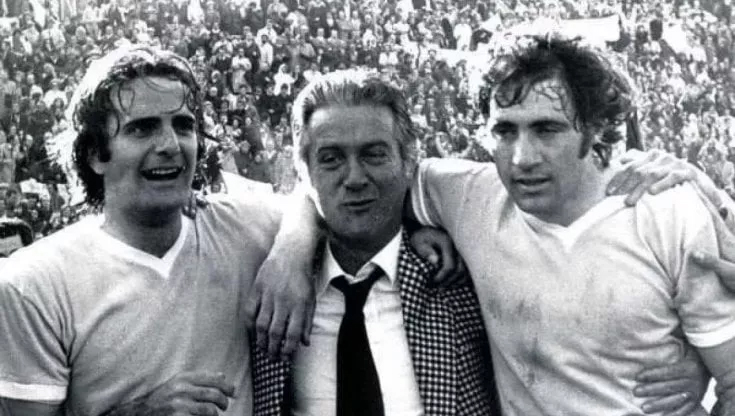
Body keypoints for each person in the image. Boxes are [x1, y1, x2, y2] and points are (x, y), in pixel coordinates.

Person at [250, 37, 735, 415]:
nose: (522, 158)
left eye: (546, 128)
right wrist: (290, 249)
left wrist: (709, 195)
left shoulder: (667, 210)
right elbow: (340, 184)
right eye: (504, 130)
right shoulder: (469, 195)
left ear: (595, 129)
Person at [0, 45, 282, 415]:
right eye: (142, 128)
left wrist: (295, 247)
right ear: (95, 154)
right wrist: (143, 412)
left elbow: (321, 201)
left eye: (183, 126)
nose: (170, 145)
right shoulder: (33, 284)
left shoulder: (247, 227)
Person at [251, 69, 499, 415]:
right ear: (303, 170)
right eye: (331, 159)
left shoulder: (462, 279)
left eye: (373, 154)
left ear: (408, 160)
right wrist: (289, 248)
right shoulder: (267, 284)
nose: (354, 178)